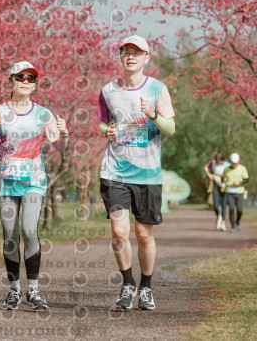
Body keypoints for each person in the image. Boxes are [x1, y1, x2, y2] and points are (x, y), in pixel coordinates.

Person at [0, 61, 69, 311]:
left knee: (29, 231)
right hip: (6, 183)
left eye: (31, 79)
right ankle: (14, 290)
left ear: (35, 84)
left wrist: (64, 133)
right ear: (11, 81)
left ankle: (34, 290)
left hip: (34, 182)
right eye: (21, 78)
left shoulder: (43, 114)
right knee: (10, 236)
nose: (26, 82)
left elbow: (60, 147)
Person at [98, 35, 175, 311]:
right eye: (126, 52)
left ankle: (146, 287)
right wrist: (106, 130)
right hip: (115, 171)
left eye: (137, 52)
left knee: (143, 234)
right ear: (121, 56)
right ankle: (127, 284)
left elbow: (170, 129)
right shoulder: (108, 90)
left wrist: (153, 114)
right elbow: (102, 122)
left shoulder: (157, 89)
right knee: (119, 232)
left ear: (146, 58)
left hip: (147, 174)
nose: (131, 56)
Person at [221, 153, 249, 232]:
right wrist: (223, 183)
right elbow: (222, 178)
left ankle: (238, 221)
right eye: (232, 162)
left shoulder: (242, 168)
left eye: (235, 162)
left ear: (238, 161)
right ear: (230, 161)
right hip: (229, 191)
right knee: (231, 209)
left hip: (239, 191)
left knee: (239, 209)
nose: (234, 164)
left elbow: (247, 179)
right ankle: (233, 226)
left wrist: (240, 183)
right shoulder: (226, 169)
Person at [203, 153, 230, 230]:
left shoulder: (227, 165)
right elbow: (205, 167)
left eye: (220, 161)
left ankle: (223, 223)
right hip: (216, 184)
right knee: (215, 205)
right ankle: (219, 216)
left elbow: (231, 174)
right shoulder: (213, 163)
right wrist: (209, 175)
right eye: (217, 161)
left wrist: (225, 183)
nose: (218, 162)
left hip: (224, 184)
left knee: (224, 204)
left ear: (223, 160)